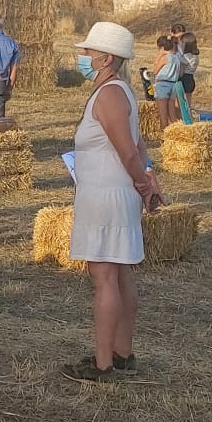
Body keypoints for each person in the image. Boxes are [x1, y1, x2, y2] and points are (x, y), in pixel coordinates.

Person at [61, 22, 166, 383]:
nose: (84, 58)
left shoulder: (107, 95)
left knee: (104, 277)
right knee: (121, 275)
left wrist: (143, 182)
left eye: (89, 52)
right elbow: (137, 147)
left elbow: (127, 150)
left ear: (106, 58)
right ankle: (122, 353)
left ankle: (103, 363)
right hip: (116, 193)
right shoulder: (120, 92)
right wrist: (147, 182)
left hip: (104, 195)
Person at [151, 36, 183, 129]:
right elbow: (180, 73)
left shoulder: (165, 58)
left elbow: (155, 71)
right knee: (172, 113)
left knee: (163, 115)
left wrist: (159, 56)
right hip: (173, 85)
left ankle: (164, 135)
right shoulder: (177, 58)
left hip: (162, 85)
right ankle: (176, 132)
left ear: (162, 48)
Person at [169, 23, 200, 99]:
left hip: (182, 76)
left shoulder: (185, 45)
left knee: (182, 103)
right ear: (172, 33)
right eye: (177, 37)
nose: (179, 39)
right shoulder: (169, 44)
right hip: (173, 74)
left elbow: (183, 64)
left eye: (181, 37)